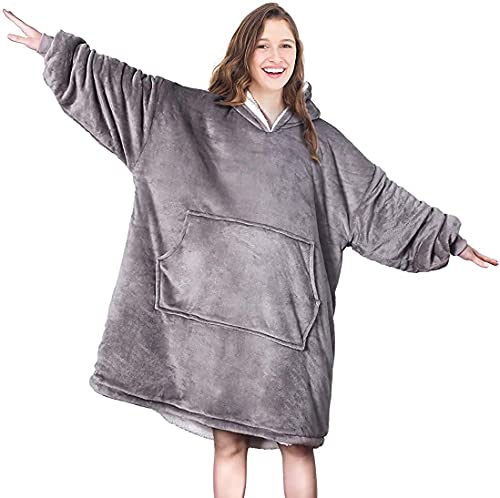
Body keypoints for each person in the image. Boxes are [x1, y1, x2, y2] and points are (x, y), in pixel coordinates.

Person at [4, 4, 497, 497]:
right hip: (217, 325)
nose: (275, 56)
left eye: (286, 45)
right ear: (244, 51)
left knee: (298, 444)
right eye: (263, 45)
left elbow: (379, 202)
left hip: (292, 328)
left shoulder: (321, 144)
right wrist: (51, 48)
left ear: (298, 55)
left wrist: (449, 239)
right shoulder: (189, 117)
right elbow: (124, 91)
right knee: (228, 442)